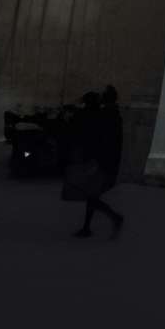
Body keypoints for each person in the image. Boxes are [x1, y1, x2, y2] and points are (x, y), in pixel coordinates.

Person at [62, 86, 124, 239]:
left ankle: (114, 218)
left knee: (91, 195)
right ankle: (89, 227)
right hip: (104, 161)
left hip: (102, 161)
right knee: (91, 194)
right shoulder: (111, 114)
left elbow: (97, 134)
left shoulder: (107, 115)